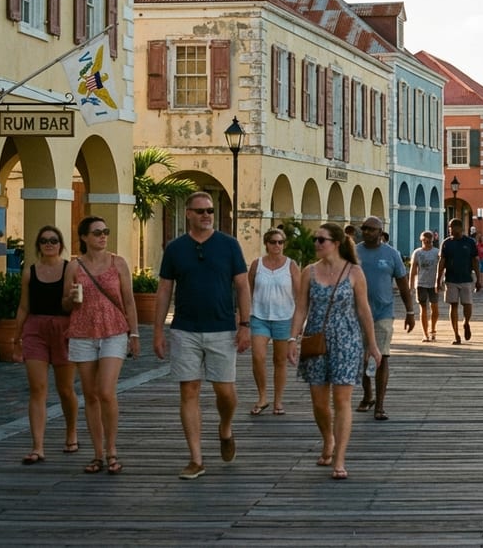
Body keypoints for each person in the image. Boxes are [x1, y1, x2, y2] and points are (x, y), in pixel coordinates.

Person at [152, 191, 252, 481]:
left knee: (226, 392)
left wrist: (245, 324)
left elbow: (243, 286)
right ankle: (196, 458)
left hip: (222, 329)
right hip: (185, 329)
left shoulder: (229, 246)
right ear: (188, 215)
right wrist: (158, 331)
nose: (207, 215)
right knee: (189, 391)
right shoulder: (175, 249)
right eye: (200, 211)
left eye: (209, 210)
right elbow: (164, 291)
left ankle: (225, 427)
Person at [287, 223, 380, 480]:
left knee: (342, 400)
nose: (316, 244)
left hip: (347, 341)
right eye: (316, 240)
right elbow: (301, 308)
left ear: (336, 243)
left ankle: (339, 458)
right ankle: (327, 437)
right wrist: (292, 339)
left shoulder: (354, 272)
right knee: (319, 402)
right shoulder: (309, 272)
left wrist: (371, 344)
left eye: (322, 240)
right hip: (316, 340)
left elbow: (364, 310)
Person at [63, 216, 139, 475]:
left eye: (105, 231)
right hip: (82, 332)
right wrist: (71, 299)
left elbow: (129, 301)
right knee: (91, 395)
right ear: (84, 237)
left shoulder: (118, 263)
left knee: (106, 391)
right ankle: (97, 454)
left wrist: (135, 334)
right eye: (97, 233)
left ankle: (112, 450)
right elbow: (64, 304)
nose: (103, 236)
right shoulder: (74, 266)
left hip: (114, 330)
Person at [16, 226, 78, 465]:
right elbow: (24, 306)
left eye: (53, 240)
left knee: (65, 389)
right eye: (44, 241)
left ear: (60, 244)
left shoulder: (69, 268)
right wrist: (16, 337)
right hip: (35, 330)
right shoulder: (30, 272)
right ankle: (37, 446)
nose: (49, 244)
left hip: (63, 329)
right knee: (37, 388)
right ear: (38, 245)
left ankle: (71, 433)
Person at [354, 217, 414, 421]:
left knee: (382, 357)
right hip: (357, 313)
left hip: (383, 313)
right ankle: (367, 394)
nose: (366, 232)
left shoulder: (392, 254)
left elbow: (402, 282)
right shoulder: (354, 252)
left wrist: (410, 311)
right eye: (363, 229)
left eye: (370, 229)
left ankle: (380, 404)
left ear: (381, 232)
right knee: (362, 358)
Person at [247, 228, 299, 417]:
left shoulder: (291, 265)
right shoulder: (256, 264)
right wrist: (242, 316)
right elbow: (247, 290)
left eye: (280, 242)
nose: (277, 246)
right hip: (259, 316)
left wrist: (299, 322)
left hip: (284, 317)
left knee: (280, 361)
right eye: (273, 242)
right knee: (258, 357)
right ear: (266, 244)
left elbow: (301, 294)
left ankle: (278, 400)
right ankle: (262, 396)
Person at [436, 218, 478, 345]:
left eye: (452, 227)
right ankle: (456, 334)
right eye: (449, 227)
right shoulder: (446, 243)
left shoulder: (470, 242)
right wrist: (437, 280)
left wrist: (479, 278)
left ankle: (466, 322)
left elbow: (475, 261)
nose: (450, 230)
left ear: (460, 228)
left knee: (467, 304)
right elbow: (441, 262)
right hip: (451, 279)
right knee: (453, 305)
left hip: (466, 278)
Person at [409, 231, 441, 342]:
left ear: (433, 241)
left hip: (434, 284)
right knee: (423, 309)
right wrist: (411, 285)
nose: (427, 243)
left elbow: (442, 268)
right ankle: (425, 333)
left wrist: (441, 280)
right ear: (421, 240)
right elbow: (413, 270)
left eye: (429, 241)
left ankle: (433, 329)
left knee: (434, 308)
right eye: (425, 241)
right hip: (421, 284)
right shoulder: (417, 253)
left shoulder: (437, 252)